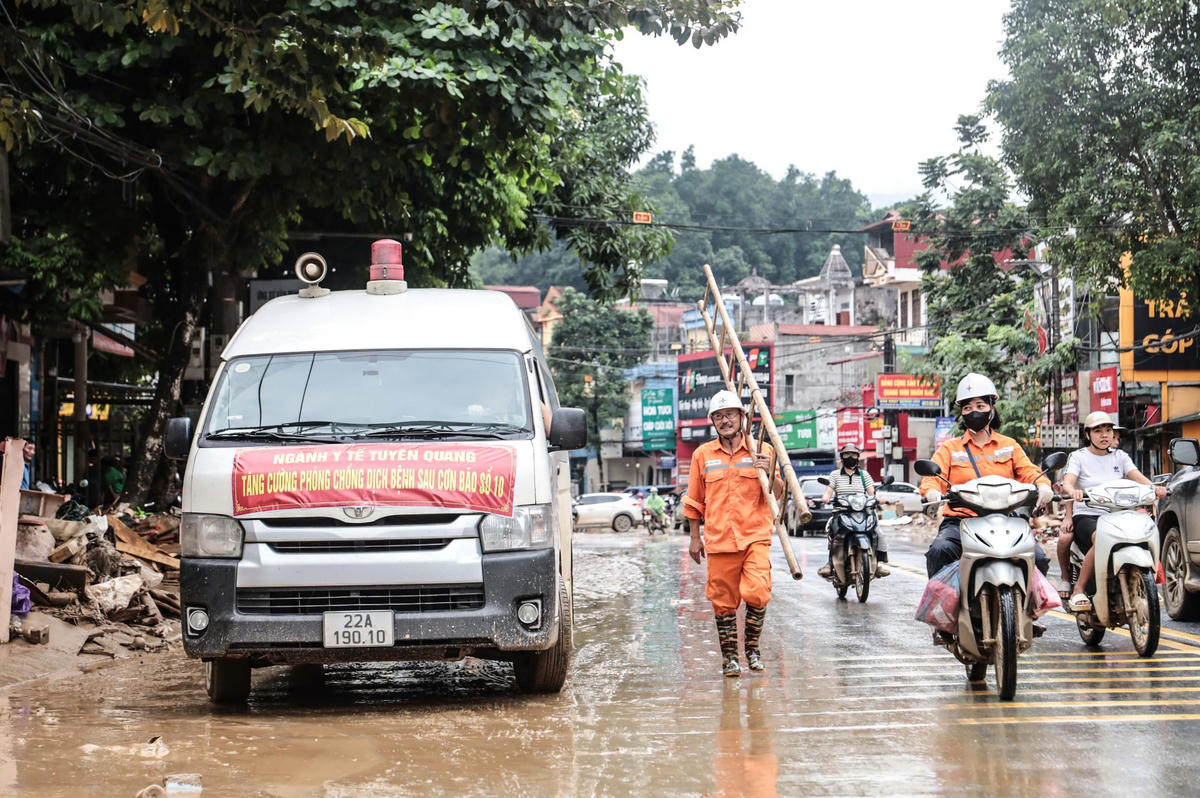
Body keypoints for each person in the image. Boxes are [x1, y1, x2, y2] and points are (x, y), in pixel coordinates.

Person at [683, 390, 785, 677]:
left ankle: (752, 649)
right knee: (723, 602)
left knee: (758, 592)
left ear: (742, 417)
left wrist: (770, 471)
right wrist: (694, 537)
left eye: (730, 414)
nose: (725, 420)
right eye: (719, 416)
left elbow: (779, 494)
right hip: (719, 540)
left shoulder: (762, 450)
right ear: (713, 422)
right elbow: (694, 500)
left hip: (755, 536)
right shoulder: (702, 455)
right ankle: (730, 658)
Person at [919, 373, 1053, 580]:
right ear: (962, 413)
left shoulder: (1009, 445)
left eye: (980, 406)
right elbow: (933, 476)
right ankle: (942, 603)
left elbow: (1029, 471)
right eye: (967, 408)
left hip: (1005, 520)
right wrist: (932, 492)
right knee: (940, 550)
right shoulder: (949, 448)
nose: (974, 412)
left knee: (1039, 559)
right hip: (961, 521)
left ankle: (1029, 608)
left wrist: (1043, 485)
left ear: (992, 408)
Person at [1059, 411, 1166, 612]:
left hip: (1119, 513)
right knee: (1100, 538)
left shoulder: (1120, 456)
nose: (1104, 435)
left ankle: (1147, 583)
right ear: (1088, 435)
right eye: (1098, 431)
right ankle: (1079, 590)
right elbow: (1067, 483)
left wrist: (1155, 488)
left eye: (1108, 430)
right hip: (1088, 514)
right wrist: (1074, 492)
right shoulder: (1078, 457)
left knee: (1144, 532)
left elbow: (1138, 477)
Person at [816, 443, 891, 579]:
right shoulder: (835, 475)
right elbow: (828, 491)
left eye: (853, 455)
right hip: (841, 512)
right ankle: (830, 563)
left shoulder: (865, 475)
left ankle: (878, 563)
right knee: (833, 532)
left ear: (858, 457)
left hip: (863, 512)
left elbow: (871, 493)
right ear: (842, 457)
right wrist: (826, 498)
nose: (850, 457)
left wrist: (878, 499)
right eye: (847, 454)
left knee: (878, 532)